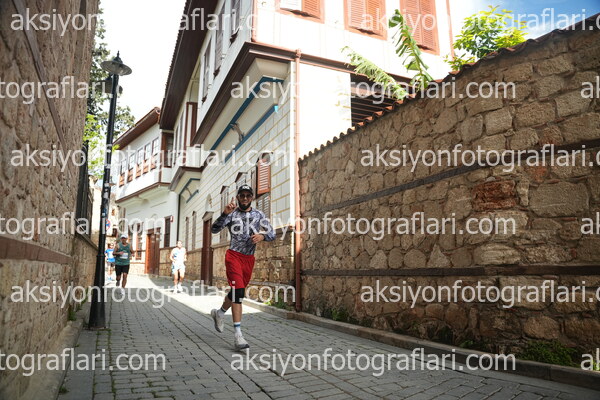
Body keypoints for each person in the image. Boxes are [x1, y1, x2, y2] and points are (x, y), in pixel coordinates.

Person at [210, 184, 275, 350]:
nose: (245, 198)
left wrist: (262, 236)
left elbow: (272, 233)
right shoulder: (232, 214)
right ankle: (238, 335)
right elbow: (214, 229)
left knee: (236, 291)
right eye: (242, 195)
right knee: (238, 293)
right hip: (233, 256)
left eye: (248, 195)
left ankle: (219, 313)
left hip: (248, 259)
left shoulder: (259, 214)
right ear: (238, 197)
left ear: (252, 197)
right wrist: (224, 213)